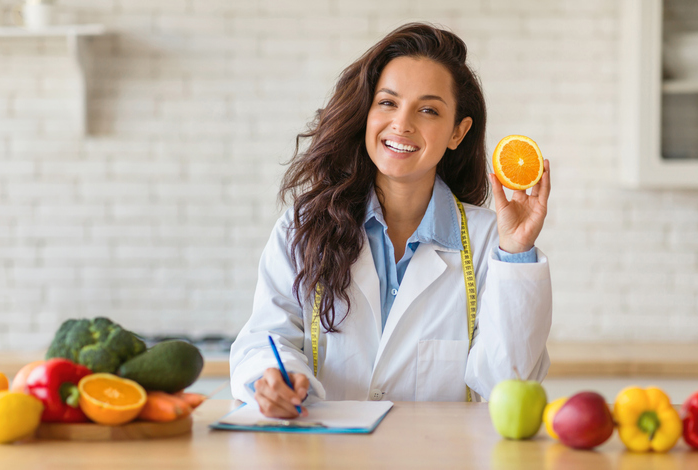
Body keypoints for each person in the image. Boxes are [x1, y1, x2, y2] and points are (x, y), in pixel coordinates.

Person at [230, 23, 552, 419]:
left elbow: (511, 382)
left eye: (429, 109)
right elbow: (267, 338)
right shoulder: (304, 226)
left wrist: (517, 251)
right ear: (366, 112)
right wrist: (275, 379)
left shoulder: (491, 242)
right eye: (387, 103)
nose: (402, 123)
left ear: (457, 132)